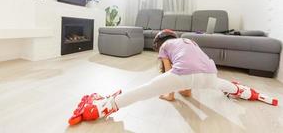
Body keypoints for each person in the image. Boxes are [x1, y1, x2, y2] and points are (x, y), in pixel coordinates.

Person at [68, 29, 278, 126]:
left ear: (160, 42)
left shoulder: (166, 47)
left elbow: (172, 73)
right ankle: (245, 92)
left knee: (145, 90)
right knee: (226, 86)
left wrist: (169, 95)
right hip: (211, 75)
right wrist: (185, 90)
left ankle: (103, 106)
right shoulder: (190, 42)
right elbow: (189, 85)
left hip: (183, 75)